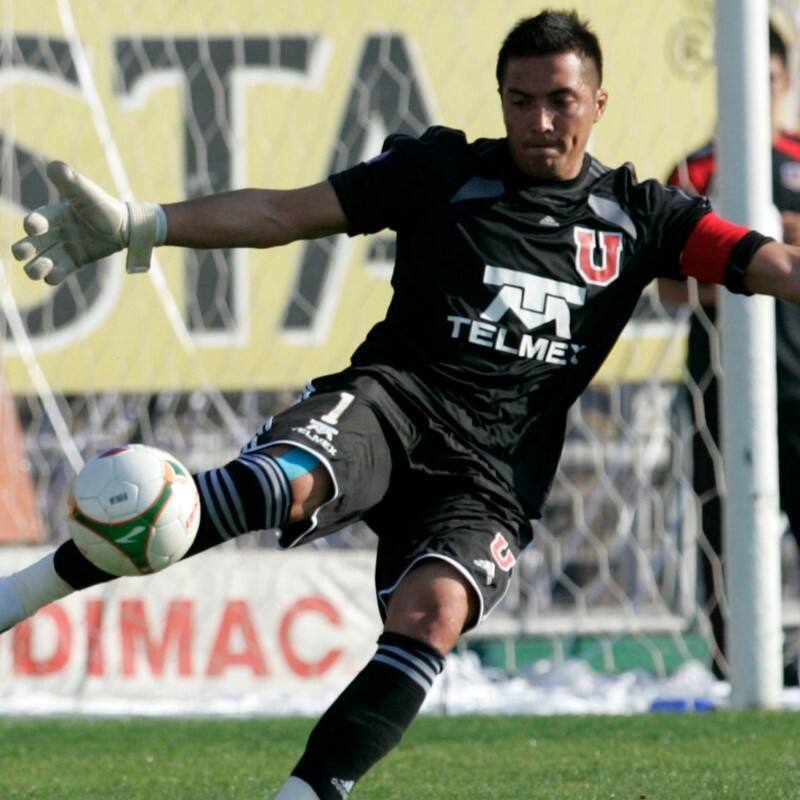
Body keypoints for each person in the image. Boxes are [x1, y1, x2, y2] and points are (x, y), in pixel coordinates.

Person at [3, 10, 800, 799]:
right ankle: (21, 594)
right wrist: (146, 224)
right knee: (280, 483)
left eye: (560, 99)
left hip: (492, 473)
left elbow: (778, 267)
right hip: (392, 405)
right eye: (520, 100)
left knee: (434, 614)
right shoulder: (444, 172)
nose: (541, 119)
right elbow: (283, 213)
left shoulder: (644, 216)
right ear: (501, 101)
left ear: (598, 102)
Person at [659, 22, 800, 682]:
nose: (761, 90)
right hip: (722, 380)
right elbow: (664, 286)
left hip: (798, 377)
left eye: (770, 78)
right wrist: (735, 269)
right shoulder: (694, 172)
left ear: (783, 81)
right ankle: (732, 662)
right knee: (723, 518)